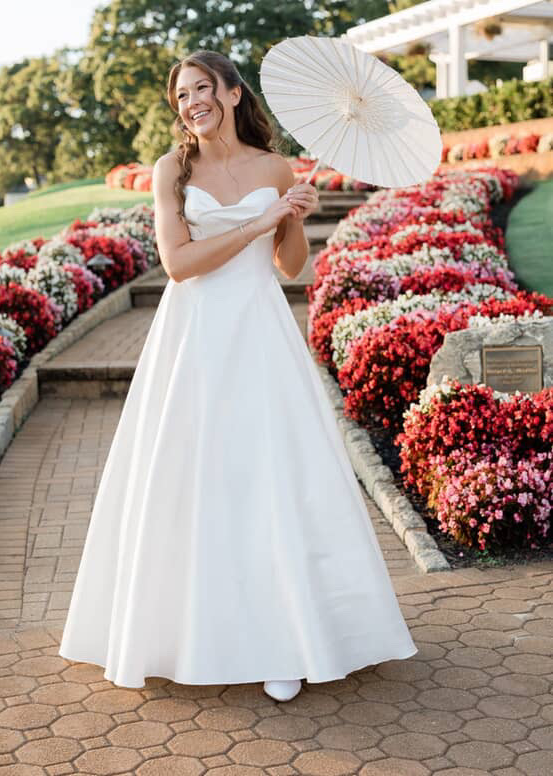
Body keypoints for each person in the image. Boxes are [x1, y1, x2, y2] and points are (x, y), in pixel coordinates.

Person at [58, 49, 417, 702]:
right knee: (193, 475)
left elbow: (288, 266)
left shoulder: (276, 168)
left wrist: (293, 220)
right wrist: (260, 218)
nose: (189, 101)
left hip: (260, 330)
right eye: (180, 95)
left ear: (230, 92)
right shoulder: (173, 169)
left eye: (201, 88)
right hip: (193, 336)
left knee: (272, 476)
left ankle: (285, 639)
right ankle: (178, 632)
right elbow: (179, 263)